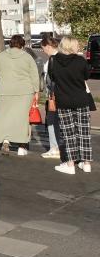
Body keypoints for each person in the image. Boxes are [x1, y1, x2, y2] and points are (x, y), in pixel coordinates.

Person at [0, 35, 40, 155]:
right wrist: (36, 91)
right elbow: (34, 75)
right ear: (22, 44)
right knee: (22, 119)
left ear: (10, 44)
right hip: (25, 91)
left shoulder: (2, 56)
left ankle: (5, 139)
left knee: (4, 117)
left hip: (5, 91)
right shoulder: (27, 57)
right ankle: (22, 147)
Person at [50, 36, 94, 174]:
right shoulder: (80, 61)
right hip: (81, 99)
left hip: (63, 101)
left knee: (68, 134)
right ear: (73, 46)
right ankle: (86, 163)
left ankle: (70, 165)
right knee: (84, 132)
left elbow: (52, 78)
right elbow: (86, 76)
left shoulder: (54, 60)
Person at [40, 36, 62, 159]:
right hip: (63, 95)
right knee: (59, 122)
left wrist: (49, 94)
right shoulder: (64, 56)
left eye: (43, 48)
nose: (43, 51)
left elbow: (51, 80)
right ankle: (58, 146)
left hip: (54, 95)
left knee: (51, 122)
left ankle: (54, 148)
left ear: (48, 46)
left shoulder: (52, 60)